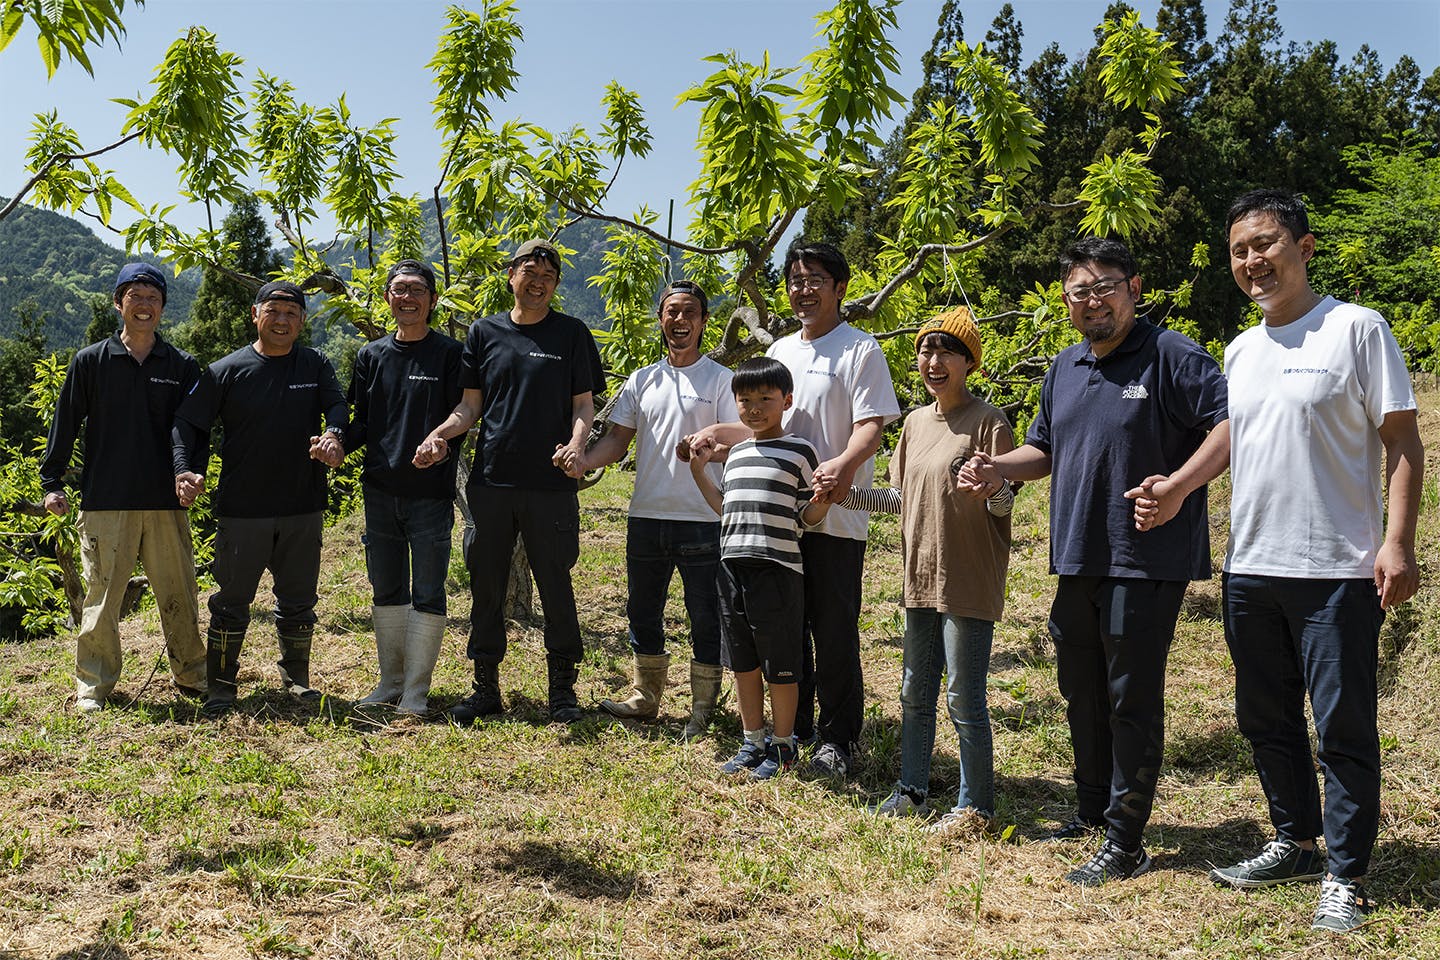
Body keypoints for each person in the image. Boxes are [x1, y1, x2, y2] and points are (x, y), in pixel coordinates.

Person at [1126, 190, 1423, 932]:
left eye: (1265, 244)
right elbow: (1235, 435)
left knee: (1342, 725)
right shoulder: (1241, 349)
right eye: (1239, 250)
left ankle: (1347, 875)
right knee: (1265, 717)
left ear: (1304, 246)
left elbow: (1402, 441)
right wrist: (1178, 485)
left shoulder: (1356, 328)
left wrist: (1398, 542)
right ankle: (1294, 838)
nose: (1252, 261)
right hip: (1252, 565)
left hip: (1337, 569)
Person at [959, 236, 1227, 885]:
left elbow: (1230, 425)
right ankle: (1091, 812)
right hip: (1079, 554)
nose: (1093, 299)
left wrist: (1179, 487)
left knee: (1130, 695)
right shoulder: (1065, 367)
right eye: (1080, 290)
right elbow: (1043, 449)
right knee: (1080, 689)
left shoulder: (1171, 355)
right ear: (1066, 300)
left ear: (1134, 288)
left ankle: (1126, 840)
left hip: (1147, 555)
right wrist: (998, 467)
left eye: (1105, 285)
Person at [685, 239, 900, 780]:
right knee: (784, 632)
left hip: (833, 515)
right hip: (775, 522)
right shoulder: (781, 349)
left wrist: (842, 465)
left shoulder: (860, 349)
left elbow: (871, 425)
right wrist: (716, 436)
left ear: (840, 288)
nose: (804, 290)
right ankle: (792, 732)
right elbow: (765, 425)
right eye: (796, 281)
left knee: (833, 629)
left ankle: (839, 739)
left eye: (815, 280)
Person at [414, 239, 606, 724]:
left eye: (548, 276)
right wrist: (439, 434)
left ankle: (562, 690)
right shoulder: (485, 332)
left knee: (555, 583)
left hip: (551, 482)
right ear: (511, 276)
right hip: (492, 480)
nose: (538, 282)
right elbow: (470, 406)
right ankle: (485, 688)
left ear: (556, 284)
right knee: (486, 585)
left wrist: (577, 445)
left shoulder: (571, 333)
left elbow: (584, 404)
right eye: (529, 273)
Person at [841, 309, 1015, 836]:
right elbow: (901, 498)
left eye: (947, 352)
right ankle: (912, 790)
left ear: (969, 362)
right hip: (919, 575)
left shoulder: (990, 422)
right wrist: (844, 492)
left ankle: (975, 807)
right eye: (926, 351)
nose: (934, 362)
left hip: (968, 576)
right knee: (915, 692)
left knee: (964, 695)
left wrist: (992, 487)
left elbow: (1005, 504)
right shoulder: (915, 423)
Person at [172, 280, 348, 718]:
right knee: (231, 602)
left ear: (302, 321)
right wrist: (184, 469)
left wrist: (333, 435)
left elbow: (338, 408)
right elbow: (188, 424)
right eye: (273, 311)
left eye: (292, 313)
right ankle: (221, 687)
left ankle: (297, 680)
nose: (282, 320)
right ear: (255, 315)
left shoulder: (315, 364)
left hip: (302, 505)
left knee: (299, 601)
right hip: (242, 509)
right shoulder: (225, 370)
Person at [39, 263, 207, 713]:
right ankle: (94, 685)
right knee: (102, 598)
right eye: (136, 296)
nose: (145, 305)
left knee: (179, 593)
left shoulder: (181, 365)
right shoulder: (91, 361)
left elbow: (195, 430)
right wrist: (52, 481)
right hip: (106, 500)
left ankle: (192, 676)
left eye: (154, 298)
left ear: (163, 307)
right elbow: (65, 423)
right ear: (119, 303)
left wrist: (191, 473)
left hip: (165, 501)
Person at [580, 280, 733, 737]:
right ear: (660, 319)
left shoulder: (721, 380)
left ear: (704, 321)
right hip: (646, 514)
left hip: (703, 517)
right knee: (643, 609)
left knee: (705, 613)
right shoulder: (642, 379)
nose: (680, 320)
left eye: (690, 312)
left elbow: (739, 439)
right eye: (671, 312)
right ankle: (645, 696)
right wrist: (582, 463)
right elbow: (616, 440)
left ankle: (703, 706)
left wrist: (708, 446)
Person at [688, 357, 830, 780]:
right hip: (732, 566)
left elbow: (807, 517)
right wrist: (698, 471)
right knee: (742, 662)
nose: (754, 408)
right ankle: (752, 740)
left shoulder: (800, 451)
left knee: (780, 664)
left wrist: (823, 502)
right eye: (745, 400)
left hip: (777, 570)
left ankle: (784, 745)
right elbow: (724, 508)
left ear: (786, 401)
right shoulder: (735, 454)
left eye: (765, 399)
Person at [343, 260, 463, 716]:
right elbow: (362, 423)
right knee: (385, 588)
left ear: (432, 299)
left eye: (417, 289)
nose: (407, 297)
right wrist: (336, 443)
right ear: (387, 298)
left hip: (430, 493)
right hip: (379, 489)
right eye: (399, 289)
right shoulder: (371, 356)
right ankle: (390, 681)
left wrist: (441, 444)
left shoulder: (450, 354)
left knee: (428, 590)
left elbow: (463, 415)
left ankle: (416, 690)